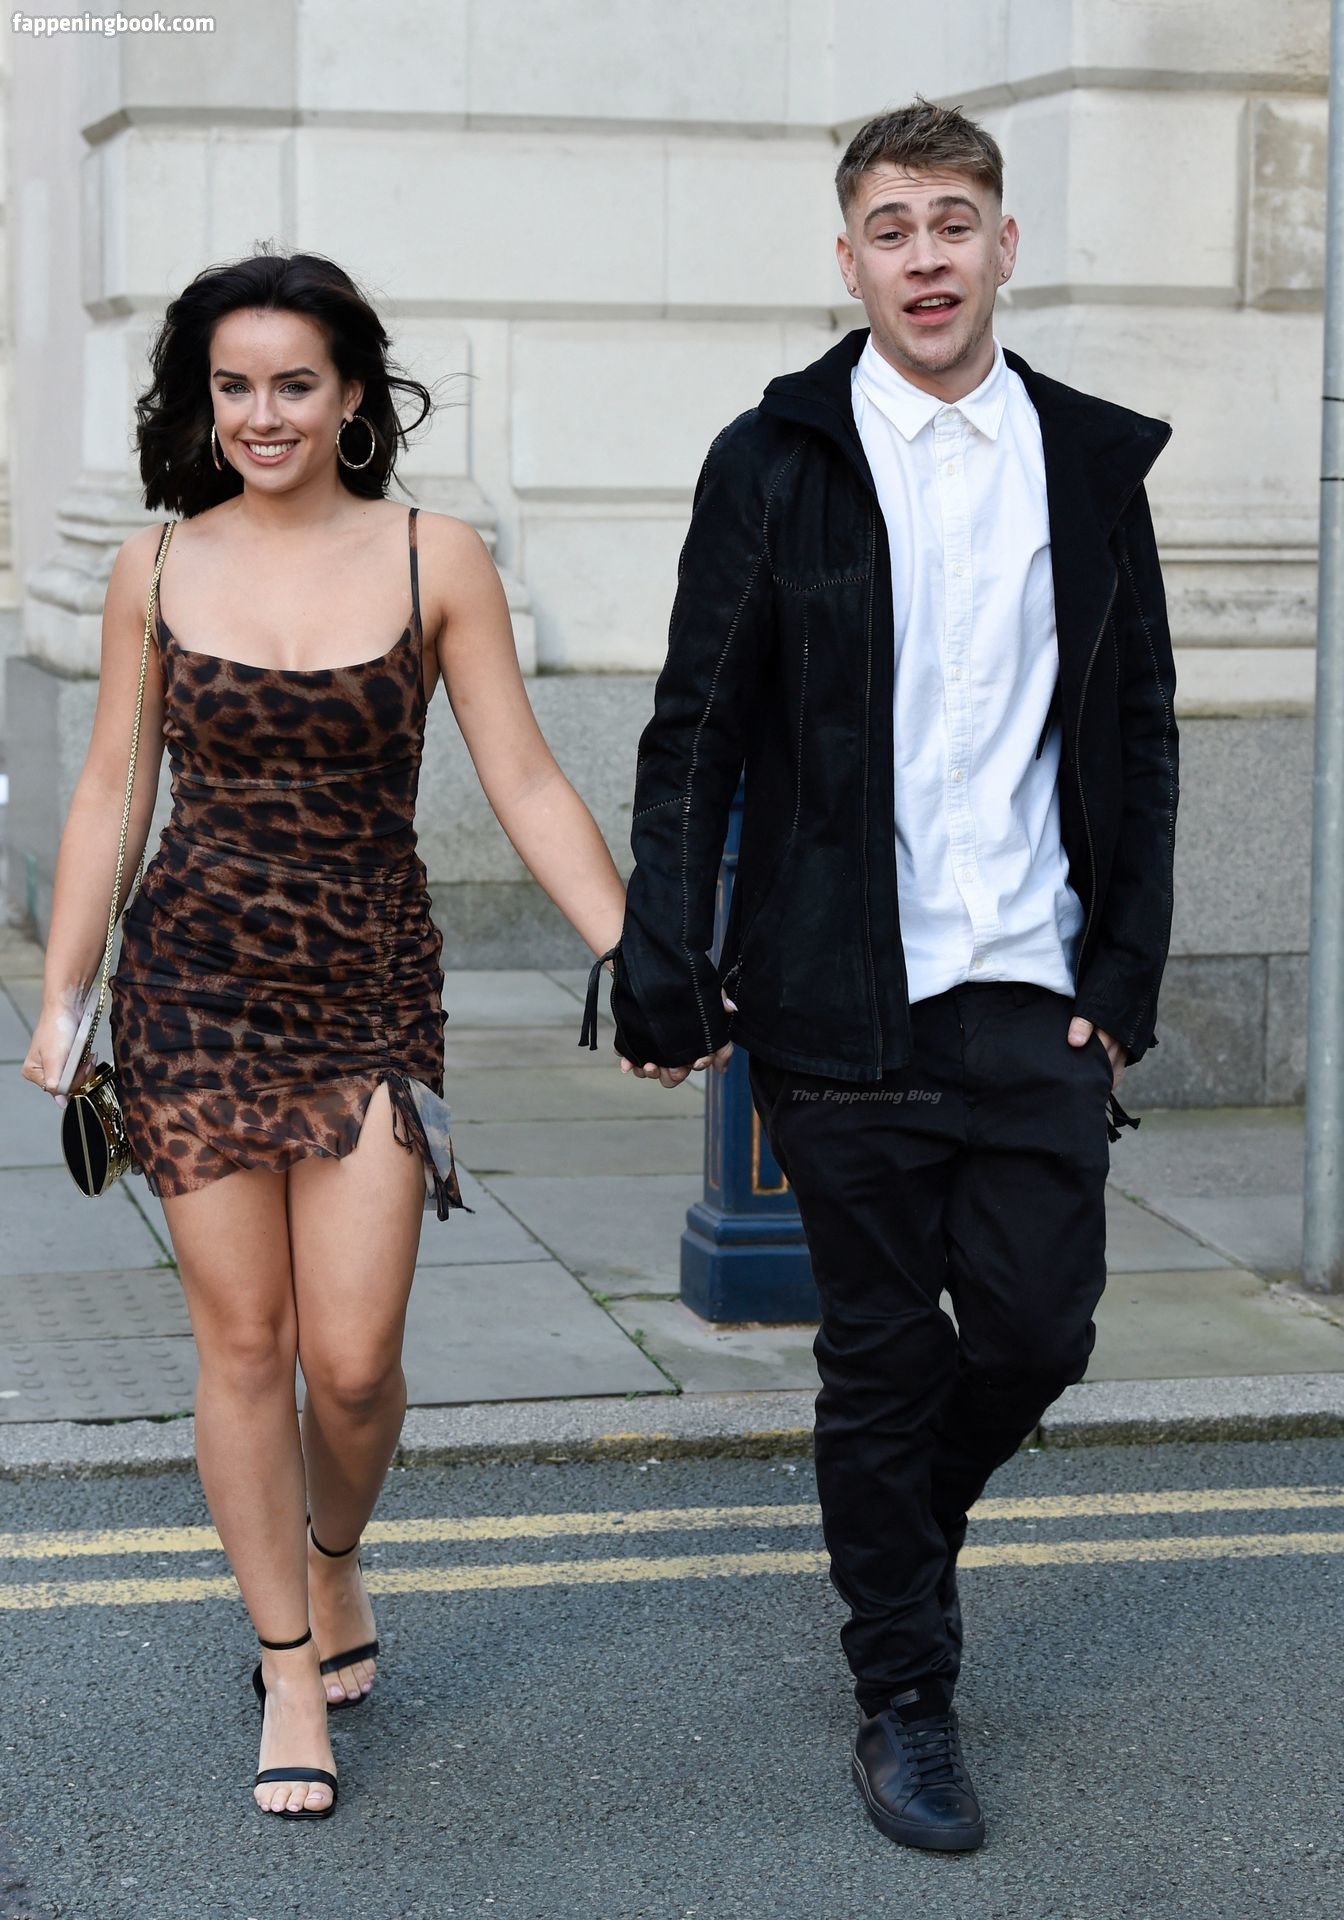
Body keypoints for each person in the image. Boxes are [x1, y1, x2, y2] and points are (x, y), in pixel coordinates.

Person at [585, 99, 1179, 1853]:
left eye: (953, 223)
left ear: (1005, 247)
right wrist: (665, 955)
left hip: (1037, 982)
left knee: (1038, 1329)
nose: (926, 258)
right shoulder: (775, 456)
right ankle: (906, 1695)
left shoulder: (1090, 460)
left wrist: (1126, 974)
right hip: (842, 987)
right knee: (879, 1351)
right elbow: (696, 723)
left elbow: (1139, 735)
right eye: (893, 229)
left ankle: (890, 1531)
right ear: (847, 261)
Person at [21, 250, 630, 1821]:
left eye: (295, 383)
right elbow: (110, 792)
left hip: (369, 993)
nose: (265, 415)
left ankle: (334, 1553)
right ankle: (288, 1662)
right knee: (246, 1344)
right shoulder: (155, 567)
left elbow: (526, 778)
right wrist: (64, 996)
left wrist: (632, 952)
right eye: (235, 387)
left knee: (353, 1366)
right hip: (192, 990)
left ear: (353, 393)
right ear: (203, 402)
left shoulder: (437, 555)